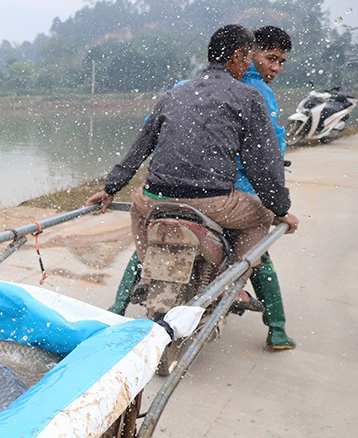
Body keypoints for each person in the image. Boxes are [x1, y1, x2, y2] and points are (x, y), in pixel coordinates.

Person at [88, 24, 299, 349]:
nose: (254, 66)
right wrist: (281, 210)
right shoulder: (250, 96)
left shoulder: (176, 92)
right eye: (250, 57)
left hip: (155, 198)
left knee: (137, 209)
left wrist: (111, 187)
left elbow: (142, 144)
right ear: (240, 56)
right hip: (212, 201)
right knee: (261, 217)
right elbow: (263, 163)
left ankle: (147, 270)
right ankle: (233, 283)